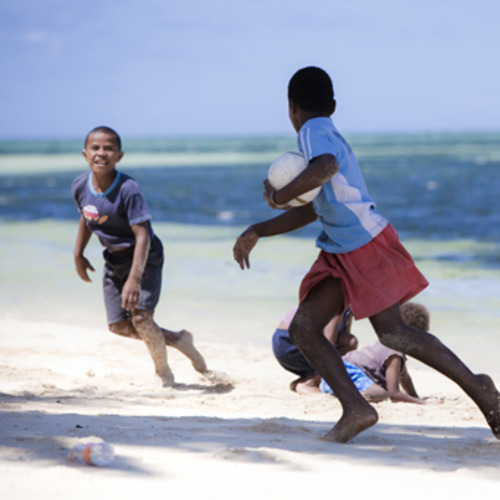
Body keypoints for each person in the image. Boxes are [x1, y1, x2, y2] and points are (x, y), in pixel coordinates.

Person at [233, 66, 500, 442]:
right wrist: (259, 228)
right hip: (344, 247)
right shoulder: (325, 132)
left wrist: (277, 197)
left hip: (358, 244)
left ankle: (478, 386)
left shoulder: (312, 131)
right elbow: (314, 207)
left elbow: (327, 168)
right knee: (306, 328)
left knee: (392, 332)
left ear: (291, 108)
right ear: (334, 105)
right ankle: (356, 408)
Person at [72, 126, 209, 387]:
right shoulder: (80, 185)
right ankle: (179, 339)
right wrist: (78, 252)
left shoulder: (128, 188)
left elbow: (143, 236)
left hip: (145, 257)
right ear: (85, 154)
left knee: (141, 318)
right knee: (118, 326)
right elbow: (87, 214)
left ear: (119, 156)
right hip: (113, 260)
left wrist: (134, 280)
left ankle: (164, 374)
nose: (102, 153)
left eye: (109, 148)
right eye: (96, 148)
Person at [273, 302, 428, 404]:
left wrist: (415, 397)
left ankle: (322, 380)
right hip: (288, 343)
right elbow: (328, 343)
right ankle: (311, 382)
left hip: (300, 341)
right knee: (380, 393)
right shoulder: (338, 305)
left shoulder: (348, 311)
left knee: (351, 342)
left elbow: (404, 378)